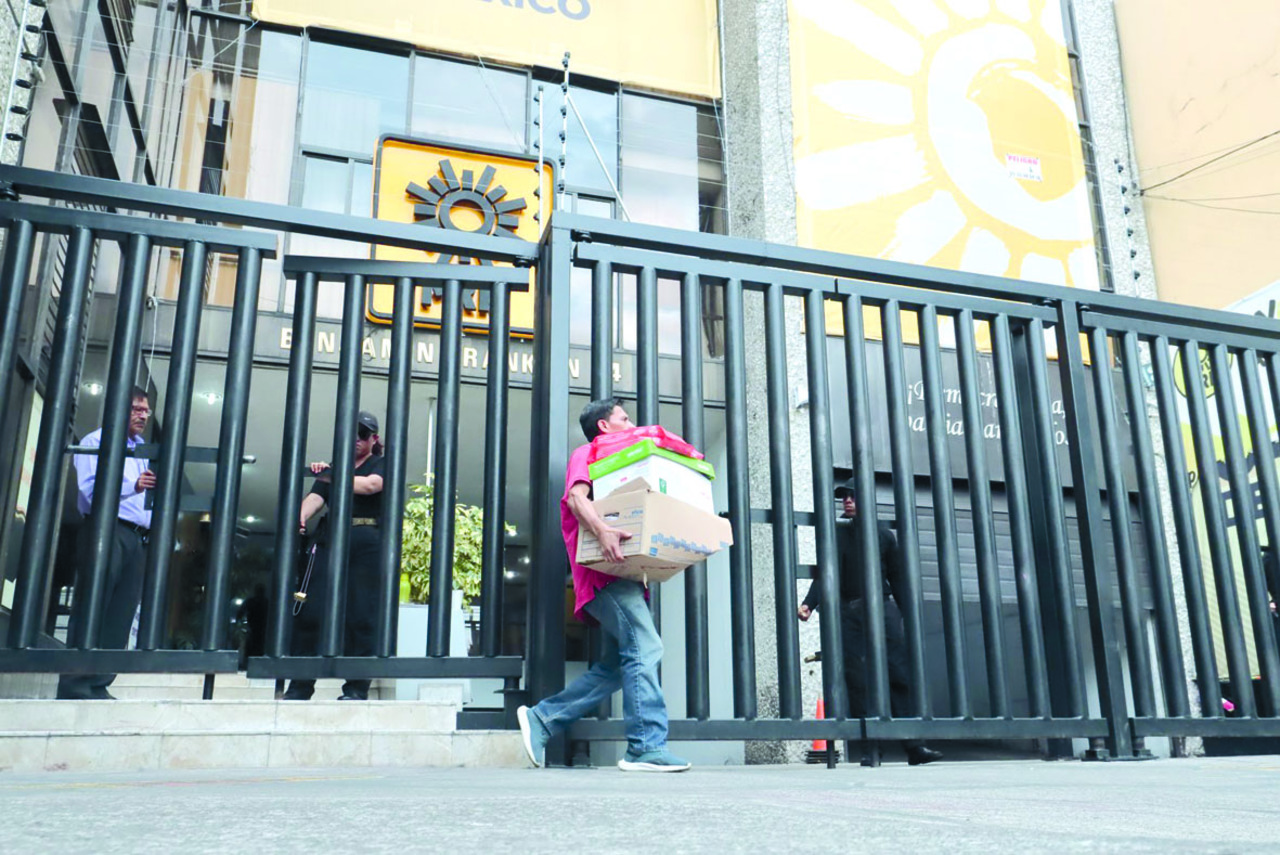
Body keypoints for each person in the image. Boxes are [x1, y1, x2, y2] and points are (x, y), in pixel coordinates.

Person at [517, 398, 691, 772]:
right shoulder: (588, 453)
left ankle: (542, 718)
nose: (632, 425)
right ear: (603, 426)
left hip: (626, 577)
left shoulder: (628, 464)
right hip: (604, 576)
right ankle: (646, 747)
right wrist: (603, 530)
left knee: (616, 665)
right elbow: (576, 498)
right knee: (647, 646)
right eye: (624, 419)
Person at [798, 477, 942, 765]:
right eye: (844, 497)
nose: (847, 501)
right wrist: (809, 603)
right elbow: (826, 573)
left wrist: (908, 616)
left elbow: (897, 578)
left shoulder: (884, 536)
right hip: (850, 613)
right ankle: (869, 749)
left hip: (883, 610)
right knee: (857, 681)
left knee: (898, 675)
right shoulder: (838, 534)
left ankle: (914, 746)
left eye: (853, 496)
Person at [57, 386, 156, 700]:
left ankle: (99, 683)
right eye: (136, 409)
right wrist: (132, 486)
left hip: (136, 538)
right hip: (105, 529)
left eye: (146, 410)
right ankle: (75, 684)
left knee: (121, 613)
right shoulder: (95, 441)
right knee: (93, 604)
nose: (143, 416)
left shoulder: (141, 450)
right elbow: (89, 490)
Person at [281, 410, 385, 701]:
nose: (356, 438)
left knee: (361, 615)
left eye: (363, 433)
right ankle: (300, 687)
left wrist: (330, 474)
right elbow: (316, 498)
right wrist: (301, 515)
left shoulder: (380, 463)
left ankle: (356, 689)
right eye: (352, 432)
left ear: (374, 438)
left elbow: (371, 485)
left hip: (366, 541)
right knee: (310, 610)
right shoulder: (336, 467)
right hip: (331, 539)